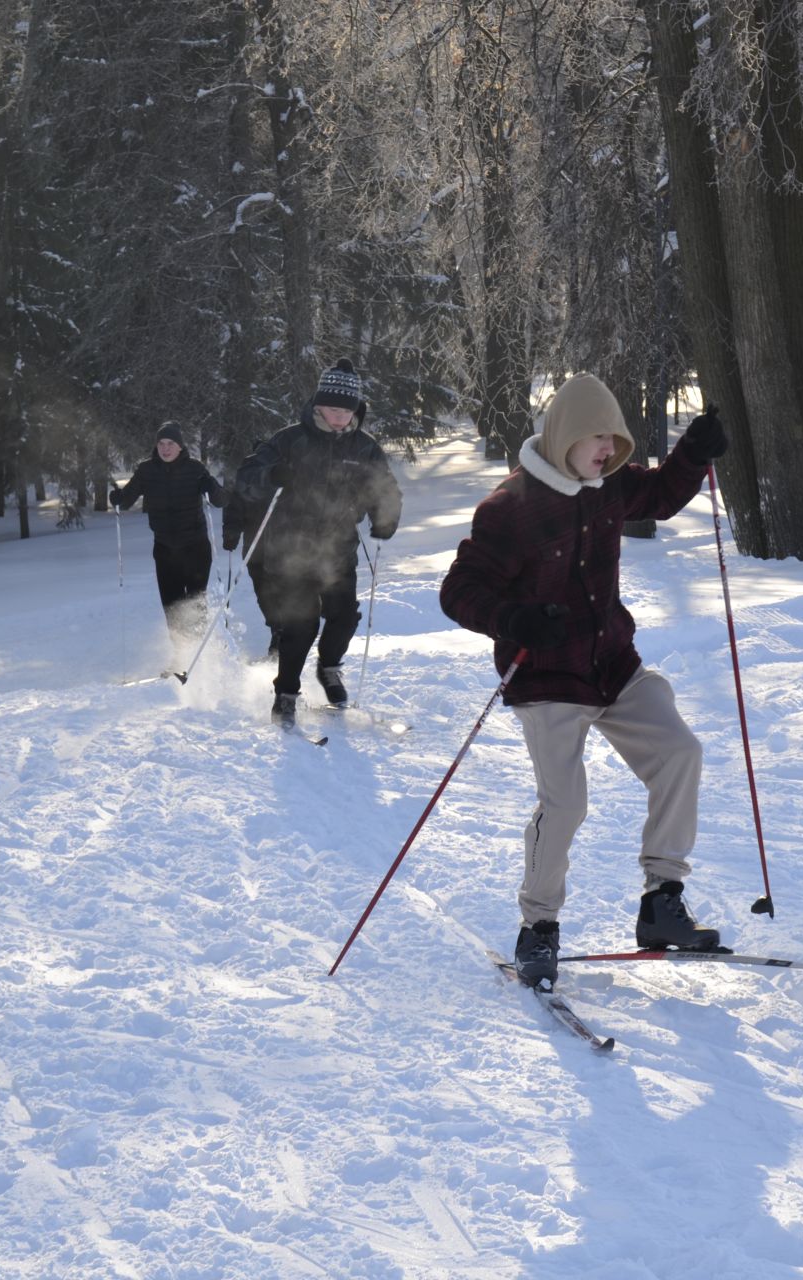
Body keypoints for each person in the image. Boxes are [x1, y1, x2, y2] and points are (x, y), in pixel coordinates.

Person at [438, 375, 730, 989]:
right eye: (598, 436)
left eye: (615, 437)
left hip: (612, 664)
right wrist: (513, 619)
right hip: (547, 677)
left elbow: (658, 495)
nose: (608, 448)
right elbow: (458, 591)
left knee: (680, 752)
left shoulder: (610, 486)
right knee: (566, 803)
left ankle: (661, 903)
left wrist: (694, 453)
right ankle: (537, 929)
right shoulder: (508, 510)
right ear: (566, 435)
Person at [236, 360, 402, 724]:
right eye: (333, 409)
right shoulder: (289, 440)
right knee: (300, 624)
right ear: (317, 406)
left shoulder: (364, 448)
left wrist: (385, 516)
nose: (340, 417)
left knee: (344, 617)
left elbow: (385, 487)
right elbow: (247, 476)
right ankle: (286, 693)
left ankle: (328, 668)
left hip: (338, 550)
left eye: (347, 410)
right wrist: (270, 475)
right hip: (291, 550)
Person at [109, 422, 226, 643]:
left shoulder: (195, 468)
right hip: (164, 548)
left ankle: (198, 656)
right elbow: (126, 500)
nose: (165, 448)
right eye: (161, 443)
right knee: (172, 605)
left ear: (180, 446)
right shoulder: (147, 470)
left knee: (194, 602)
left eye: (170, 443)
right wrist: (117, 498)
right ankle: (180, 656)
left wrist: (210, 486)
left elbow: (220, 500)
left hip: (195, 547)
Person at [222, 437, 282, 660]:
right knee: (265, 592)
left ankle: (282, 636)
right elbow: (235, 504)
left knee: (277, 592)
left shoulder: (288, 470)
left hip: (284, 544)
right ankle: (277, 631)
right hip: (256, 544)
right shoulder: (247, 471)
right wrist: (231, 532)